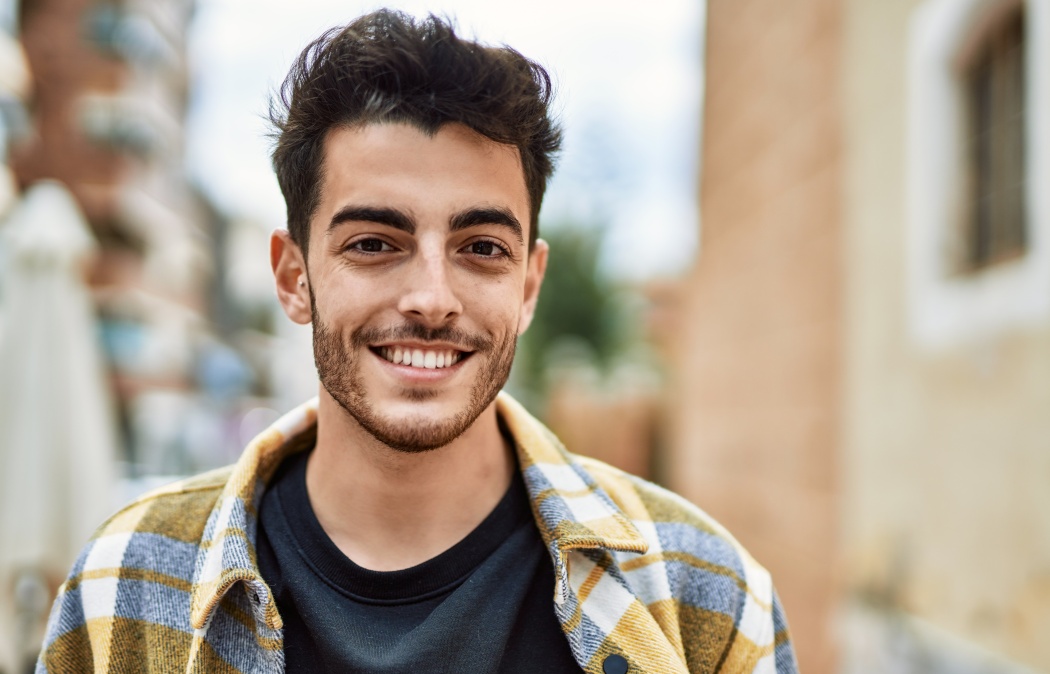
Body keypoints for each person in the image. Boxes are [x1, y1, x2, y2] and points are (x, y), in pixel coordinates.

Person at [36, 10, 799, 674]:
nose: (432, 298)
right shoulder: (124, 587)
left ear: (528, 286)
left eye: (481, 248)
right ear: (293, 276)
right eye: (373, 243)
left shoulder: (704, 599)